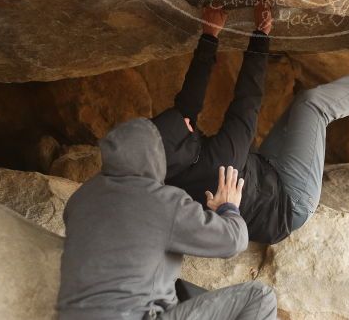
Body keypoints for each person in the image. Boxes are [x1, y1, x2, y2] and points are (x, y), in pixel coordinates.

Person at [154, 0, 349, 244]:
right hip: (290, 203)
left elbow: (189, 100)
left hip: (264, 174)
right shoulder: (220, 161)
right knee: (312, 106)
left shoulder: (170, 165)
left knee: (301, 106)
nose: (189, 123)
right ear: (184, 147)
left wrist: (209, 36)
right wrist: (261, 33)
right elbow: (247, 100)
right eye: (185, 128)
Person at [56, 117, 277, 320]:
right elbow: (233, 241)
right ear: (154, 156)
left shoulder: (81, 199)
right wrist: (228, 208)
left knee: (183, 291)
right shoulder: (161, 201)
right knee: (261, 296)